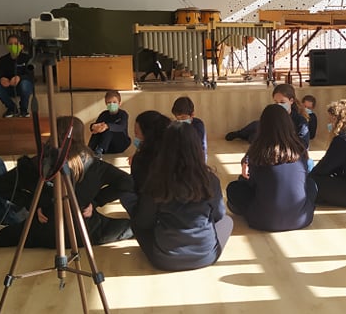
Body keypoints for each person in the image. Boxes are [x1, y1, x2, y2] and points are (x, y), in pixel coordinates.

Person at [0, 116, 135, 248]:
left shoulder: (38, 164)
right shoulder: (95, 165)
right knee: (132, 227)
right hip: (85, 231)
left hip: (44, 232)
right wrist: (96, 201)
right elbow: (127, 182)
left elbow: (2, 185)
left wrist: (33, 205)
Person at [130, 121, 233, 271]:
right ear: (196, 148)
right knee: (228, 221)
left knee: (136, 224)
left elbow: (144, 221)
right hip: (206, 256)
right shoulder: (210, 180)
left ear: (164, 150)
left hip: (165, 259)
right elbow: (219, 215)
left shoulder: (156, 181)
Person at [226, 104, 317, 231]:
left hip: (263, 221)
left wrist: (243, 179)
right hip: (302, 219)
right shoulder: (299, 149)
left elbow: (252, 184)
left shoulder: (259, 152)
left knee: (233, 188)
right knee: (311, 184)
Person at [225, 84, 310, 149]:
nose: (279, 105)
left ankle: (245, 136)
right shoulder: (272, 116)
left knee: (253, 137)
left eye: (282, 102)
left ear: (291, 101)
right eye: (276, 102)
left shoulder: (300, 120)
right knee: (256, 126)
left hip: (285, 150)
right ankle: (240, 133)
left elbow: (304, 144)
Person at [0, 34, 35, 118]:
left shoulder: (28, 58)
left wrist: (19, 78)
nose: (13, 46)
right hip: (9, 87)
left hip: (23, 87)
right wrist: (2, 79)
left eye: (15, 44)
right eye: (10, 44)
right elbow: (0, 75)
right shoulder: (2, 60)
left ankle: (24, 110)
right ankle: (12, 108)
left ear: (21, 46)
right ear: (7, 46)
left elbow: (30, 76)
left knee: (24, 84)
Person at [88, 90, 132, 155]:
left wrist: (107, 126)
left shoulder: (123, 114)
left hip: (120, 144)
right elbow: (96, 125)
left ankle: (100, 151)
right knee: (98, 130)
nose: (111, 104)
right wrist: (93, 127)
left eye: (114, 102)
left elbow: (122, 127)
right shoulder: (104, 114)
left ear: (119, 103)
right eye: (109, 102)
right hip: (108, 146)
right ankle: (89, 150)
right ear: (106, 104)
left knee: (109, 129)